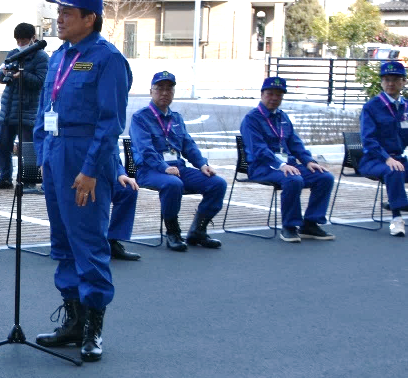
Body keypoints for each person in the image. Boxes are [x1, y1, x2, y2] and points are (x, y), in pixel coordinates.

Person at [32, 0, 132, 362]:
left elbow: (110, 123)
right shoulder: (58, 58)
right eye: (59, 11)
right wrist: (42, 155)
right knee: (62, 243)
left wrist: (91, 170)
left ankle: (93, 329)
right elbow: (44, 111)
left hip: (86, 157)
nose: (59, 18)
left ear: (90, 18)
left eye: (68, 13)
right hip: (56, 156)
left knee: (88, 242)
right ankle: (73, 320)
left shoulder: (107, 59)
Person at [129, 71, 226, 251]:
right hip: (150, 171)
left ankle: (198, 230)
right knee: (173, 184)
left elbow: (189, 145)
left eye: (169, 89)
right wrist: (164, 167)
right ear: (151, 91)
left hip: (178, 169)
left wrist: (202, 165)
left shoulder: (176, 118)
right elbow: (145, 150)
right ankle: (173, 232)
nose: (164, 93)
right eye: (160, 88)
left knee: (217, 183)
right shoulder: (140, 118)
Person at [240, 76, 335, 243]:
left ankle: (310, 224)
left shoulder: (282, 117)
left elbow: (295, 143)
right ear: (262, 94)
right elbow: (258, 149)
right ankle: (289, 226)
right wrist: (281, 164)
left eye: (279, 95)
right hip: (263, 167)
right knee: (293, 180)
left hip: (288, 166)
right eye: (270, 94)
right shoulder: (251, 119)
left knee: (324, 177)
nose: (274, 98)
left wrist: (308, 161)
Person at [0, 22, 48, 192]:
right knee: (3, 146)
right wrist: (6, 74)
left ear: (33, 39)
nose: (21, 44)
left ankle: (28, 180)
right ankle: (5, 179)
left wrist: (21, 75)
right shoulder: (13, 54)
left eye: (24, 40)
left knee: (28, 148)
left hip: (28, 110)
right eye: (18, 40)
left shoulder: (41, 57)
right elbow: (0, 76)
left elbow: (40, 82)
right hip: (8, 109)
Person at [358, 60, 408, 237]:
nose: (391, 84)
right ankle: (397, 218)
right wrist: (387, 158)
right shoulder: (372, 107)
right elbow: (368, 140)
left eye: (395, 79)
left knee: (398, 167)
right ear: (381, 82)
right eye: (386, 79)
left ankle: (398, 202)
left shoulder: (406, 106)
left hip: (400, 158)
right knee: (393, 170)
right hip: (375, 160)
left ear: (404, 82)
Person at [107, 172, 141, 261]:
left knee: (128, 189)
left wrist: (120, 173)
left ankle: (112, 241)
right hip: (78, 173)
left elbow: (113, 157)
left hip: (104, 175)